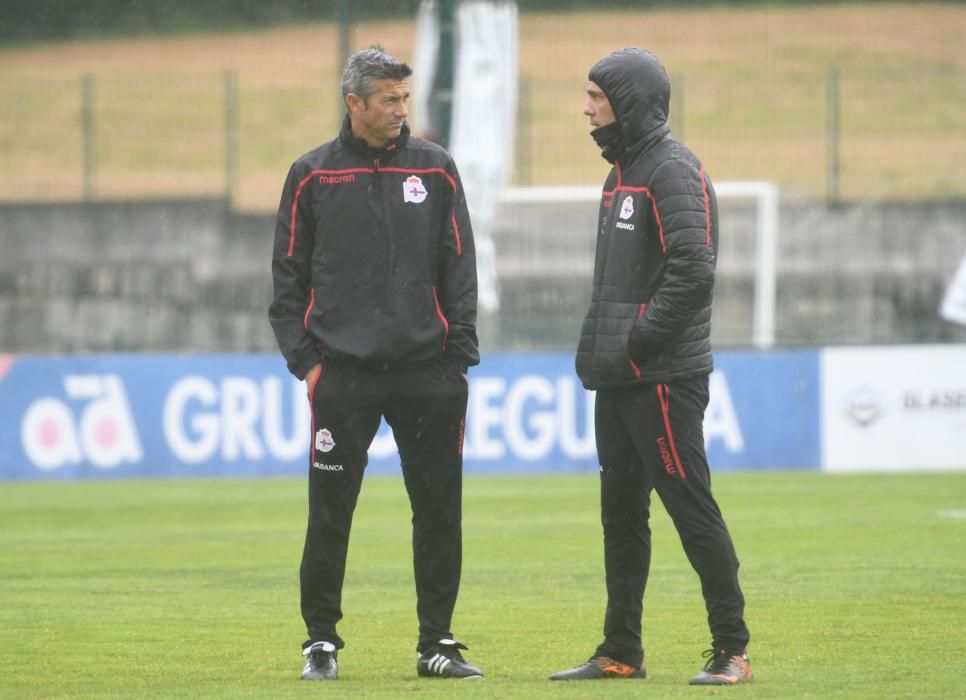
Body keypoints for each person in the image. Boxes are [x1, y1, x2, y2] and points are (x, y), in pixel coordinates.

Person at [268, 45, 482, 682]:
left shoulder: (436, 169)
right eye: (388, 99)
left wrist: (457, 356)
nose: (400, 110)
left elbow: (460, 265)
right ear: (353, 103)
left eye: (404, 98)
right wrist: (308, 363)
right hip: (345, 375)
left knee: (439, 511)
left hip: (428, 373)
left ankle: (437, 644)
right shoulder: (311, 174)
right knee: (330, 512)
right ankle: (321, 644)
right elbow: (287, 278)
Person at [549, 48, 753, 685]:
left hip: (661, 380)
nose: (586, 109)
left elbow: (694, 271)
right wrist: (609, 353)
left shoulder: (673, 169)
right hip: (619, 378)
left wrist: (639, 343)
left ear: (628, 102)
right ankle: (621, 651)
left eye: (596, 97)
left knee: (690, 509)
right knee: (621, 519)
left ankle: (732, 650)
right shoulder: (620, 175)